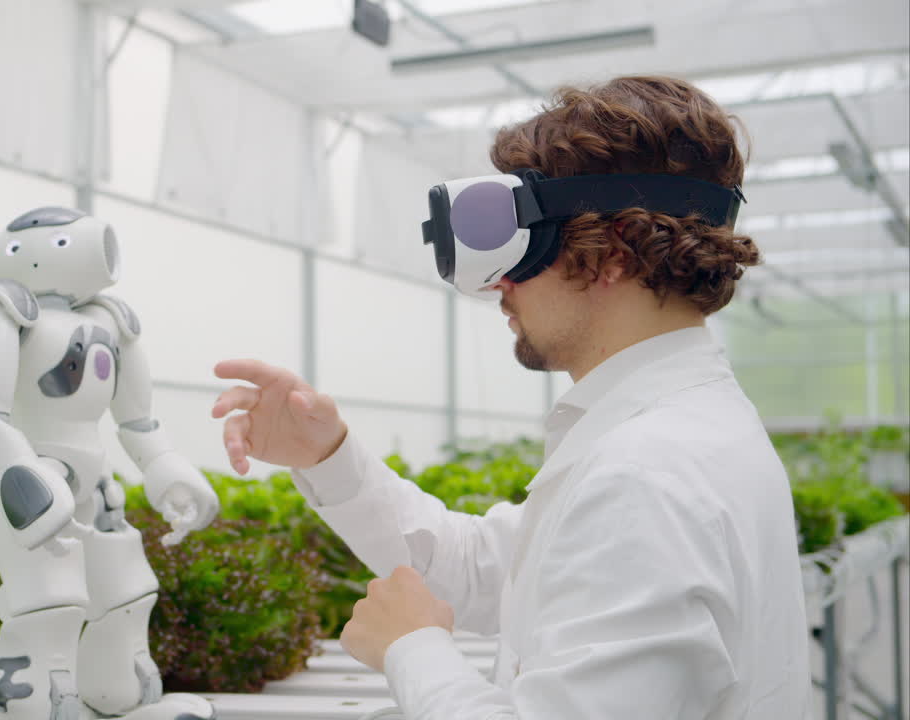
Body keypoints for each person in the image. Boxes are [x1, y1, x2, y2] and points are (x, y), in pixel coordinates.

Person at [210, 76, 811, 719]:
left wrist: (413, 649)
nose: (498, 283)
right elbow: (481, 569)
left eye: (523, 240)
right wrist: (326, 456)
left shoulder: (648, 472)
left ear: (613, 252)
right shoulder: (676, 431)